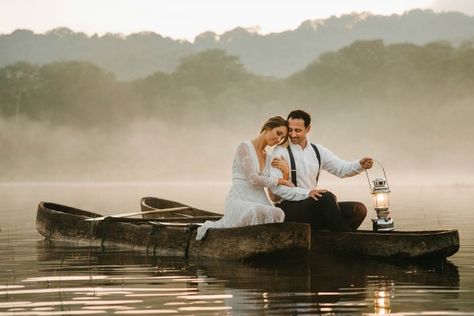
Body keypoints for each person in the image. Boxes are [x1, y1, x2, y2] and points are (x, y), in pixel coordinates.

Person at [269, 110, 373, 232]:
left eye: (297, 130)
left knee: (358, 209)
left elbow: (341, 169)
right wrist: (307, 193)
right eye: (290, 130)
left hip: (313, 208)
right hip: (288, 209)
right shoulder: (280, 152)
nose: (293, 135)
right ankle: (345, 239)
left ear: (308, 129)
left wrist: (360, 165)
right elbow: (276, 188)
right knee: (326, 197)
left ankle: (333, 238)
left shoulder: (317, 150)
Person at [196, 116, 294, 240]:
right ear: (268, 128)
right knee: (258, 211)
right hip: (240, 199)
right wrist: (280, 180)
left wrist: (285, 173)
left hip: (260, 200)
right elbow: (252, 179)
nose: (278, 139)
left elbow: (273, 196)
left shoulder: (269, 158)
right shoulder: (244, 147)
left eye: (282, 138)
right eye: (278, 133)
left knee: (279, 213)